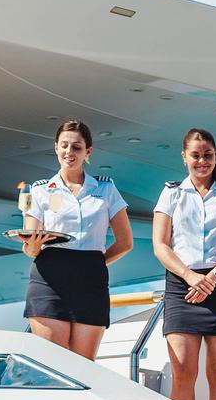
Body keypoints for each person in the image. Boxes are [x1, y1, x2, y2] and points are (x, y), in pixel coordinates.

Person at [152, 128, 216, 400]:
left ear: (215, 156)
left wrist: (213, 278)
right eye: (195, 155)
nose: (202, 161)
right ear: (184, 157)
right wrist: (190, 276)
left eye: (208, 155)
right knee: (183, 373)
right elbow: (160, 245)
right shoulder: (171, 193)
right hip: (183, 284)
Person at [16, 120, 133, 359]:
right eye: (64, 146)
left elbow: (125, 242)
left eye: (77, 147)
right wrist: (34, 247)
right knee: (52, 365)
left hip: (91, 282)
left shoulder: (106, 189)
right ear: (56, 148)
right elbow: (30, 245)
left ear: (88, 152)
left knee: (84, 367)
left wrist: (95, 263)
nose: (70, 152)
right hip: (49, 278)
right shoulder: (39, 190)